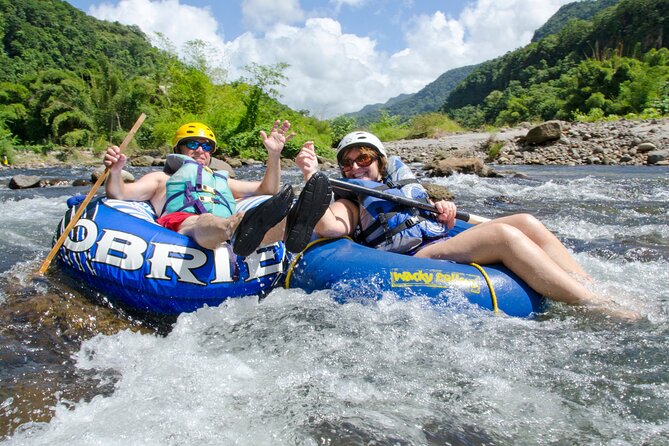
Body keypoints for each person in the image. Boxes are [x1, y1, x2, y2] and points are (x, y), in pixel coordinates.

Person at [295, 131, 640, 319]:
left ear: (381, 161)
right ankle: (594, 307)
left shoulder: (400, 186)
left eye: (363, 158)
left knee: (525, 221)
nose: (355, 166)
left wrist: (441, 209)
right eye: (347, 162)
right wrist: (312, 177)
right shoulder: (350, 200)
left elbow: (425, 216)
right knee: (505, 235)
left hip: (435, 239)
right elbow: (332, 228)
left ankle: (588, 285)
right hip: (417, 257)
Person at [104, 120, 331, 256]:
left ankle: (293, 223)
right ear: (178, 148)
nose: (200, 150)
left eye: (206, 146)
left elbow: (268, 189)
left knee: (270, 217)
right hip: (182, 223)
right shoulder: (161, 178)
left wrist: (274, 155)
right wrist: (115, 171)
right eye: (192, 144)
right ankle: (235, 228)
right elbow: (119, 193)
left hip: (229, 230)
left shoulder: (222, 180)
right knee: (200, 222)